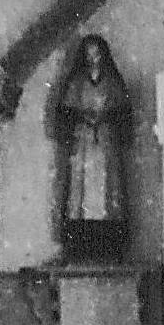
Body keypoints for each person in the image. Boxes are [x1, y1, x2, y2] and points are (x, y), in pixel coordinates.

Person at [53, 34, 131, 260]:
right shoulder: (76, 81)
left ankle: (110, 244)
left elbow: (122, 111)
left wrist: (105, 118)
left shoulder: (112, 81)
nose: (93, 58)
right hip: (84, 139)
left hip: (106, 140)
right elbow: (66, 111)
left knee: (109, 187)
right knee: (81, 190)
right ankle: (79, 245)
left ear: (103, 54)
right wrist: (83, 116)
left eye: (96, 53)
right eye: (89, 53)